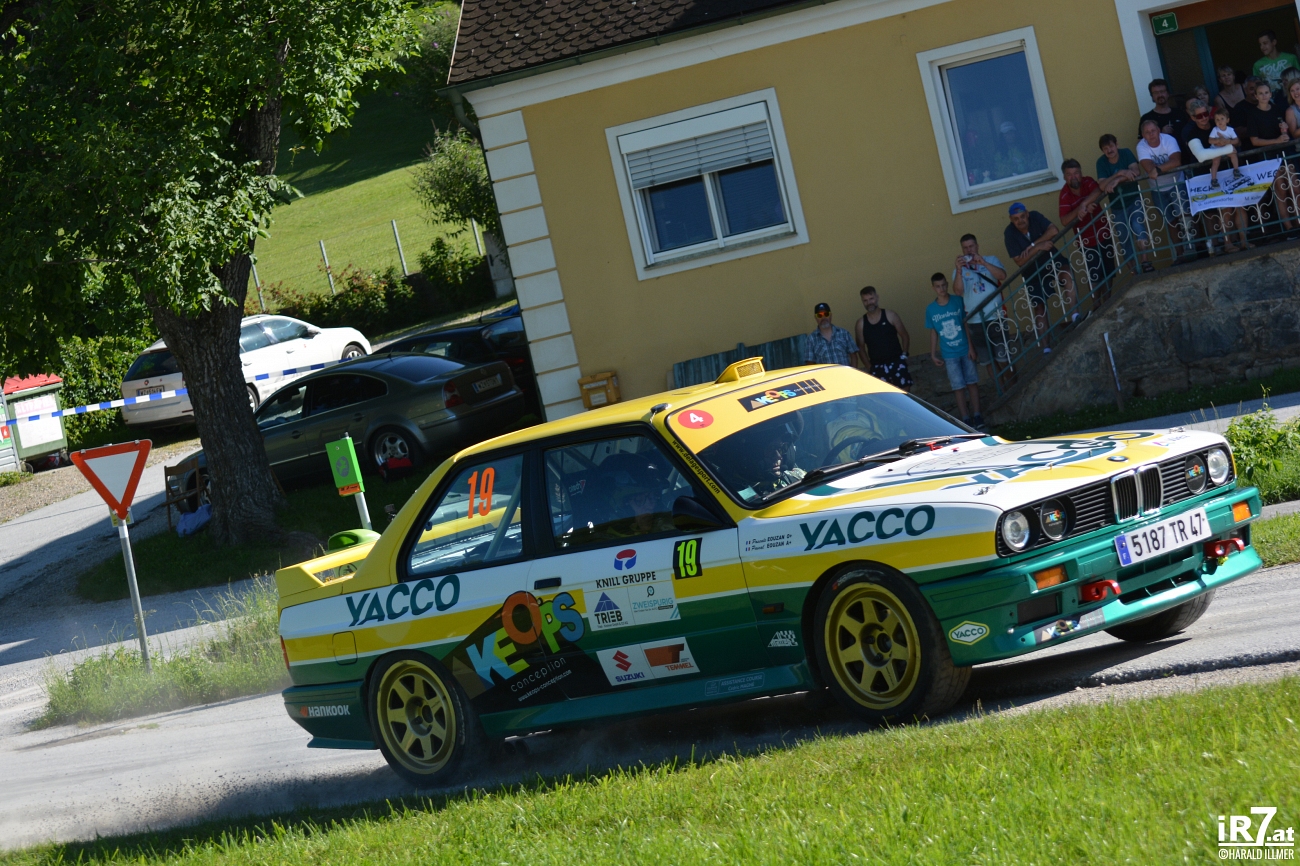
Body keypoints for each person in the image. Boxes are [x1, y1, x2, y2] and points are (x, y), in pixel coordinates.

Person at [1182, 99, 1249, 253]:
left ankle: (1244, 241)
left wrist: (1229, 141)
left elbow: (1237, 141)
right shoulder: (1191, 133)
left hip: (1229, 171)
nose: (1204, 118)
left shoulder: (1217, 123)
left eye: (1206, 114)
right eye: (1199, 116)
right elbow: (1201, 155)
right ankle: (1227, 244)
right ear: (1192, 117)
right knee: (1223, 210)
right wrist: (1227, 149)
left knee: (1239, 205)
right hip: (1207, 177)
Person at [1003, 202, 1077, 338]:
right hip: (1032, 272)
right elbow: (1019, 261)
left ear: (1027, 214)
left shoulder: (1035, 216)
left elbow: (1054, 230)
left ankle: (1075, 316)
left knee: (1066, 274)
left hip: (1051, 259)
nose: (1020, 220)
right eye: (1016, 218)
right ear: (1011, 219)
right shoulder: (1009, 233)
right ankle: (1046, 347)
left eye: (1022, 216)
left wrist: (1033, 245)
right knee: (1039, 308)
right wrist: (1038, 248)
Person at [926, 273, 982, 428]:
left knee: (972, 382)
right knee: (958, 386)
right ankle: (965, 418)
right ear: (933, 288)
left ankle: (978, 415)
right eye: (938, 286)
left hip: (964, 349)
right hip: (949, 354)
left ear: (947, 284)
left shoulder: (958, 301)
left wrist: (971, 346)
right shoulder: (931, 309)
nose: (942, 289)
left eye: (944, 285)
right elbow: (933, 331)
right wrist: (933, 353)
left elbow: (965, 324)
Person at [1246, 78, 1299, 235]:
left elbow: (1285, 131)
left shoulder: (1277, 109)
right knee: (1280, 191)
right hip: (1268, 158)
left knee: (1295, 188)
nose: (1264, 96)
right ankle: (1289, 228)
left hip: (1285, 154)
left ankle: (1298, 221)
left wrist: (1284, 130)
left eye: (1266, 93)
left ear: (1270, 94)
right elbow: (1254, 140)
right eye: (1260, 93)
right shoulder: (1252, 114)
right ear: (1256, 96)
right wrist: (1276, 141)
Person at [1136, 118, 1194, 258]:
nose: (1151, 134)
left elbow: (1176, 161)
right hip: (1157, 189)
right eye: (1147, 132)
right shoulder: (1141, 146)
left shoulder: (1169, 140)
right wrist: (1160, 168)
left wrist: (1157, 169)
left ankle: (1193, 248)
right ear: (1143, 135)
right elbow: (1148, 167)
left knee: (1185, 216)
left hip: (1177, 182)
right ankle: (1180, 254)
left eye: (1153, 130)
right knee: (1170, 221)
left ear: (1159, 131)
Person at [951, 233, 1009, 367]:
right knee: (987, 361)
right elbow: (958, 292)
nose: (969, 250)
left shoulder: (991, 259)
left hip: (996, 317)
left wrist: (984, 263)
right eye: (965, 248)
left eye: (971, 246)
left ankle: (1012, 380)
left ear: (977, 246)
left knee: (1004, 359)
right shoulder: (958, 270)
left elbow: (1002, 276)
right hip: (975, 321)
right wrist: (959, 270)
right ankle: (999, 382)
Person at [1096, 133, 1152, 273]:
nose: (1109, 150)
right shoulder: (1101, 162)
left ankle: (1145, 261)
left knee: (1138, 226)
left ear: (1117, 145)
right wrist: (1120, 173)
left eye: (1111, 146)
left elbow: (1135, 171)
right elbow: (1102, 185)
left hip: (1133, 199)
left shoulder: (1126, 153)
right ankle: (1134, 271)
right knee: (1124, 238)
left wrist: (1116, 181)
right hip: (1117, 206)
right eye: (1105, 148)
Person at [1058, 158, 1113, 291]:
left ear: (1081, 173)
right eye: (1069, 174)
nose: (1073, 177)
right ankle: (1096, 303)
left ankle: (1108, 300)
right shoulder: (1064, 194)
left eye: (1076, 173)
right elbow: (1064, 221)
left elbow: (1099, 190)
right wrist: (1080, 210)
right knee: (1094, 276)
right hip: (1086, 241)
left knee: (1108, 272)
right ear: (1064, 177)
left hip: (1103, 233)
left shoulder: (1088, 181)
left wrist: (1084, 204)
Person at [853, 286, 912, 391]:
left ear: (877, 298)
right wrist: (869, 367)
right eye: (865, 300)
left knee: (905, 397)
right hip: (877, 367)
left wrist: (904, 355)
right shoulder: (860, 324)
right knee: (885, 399)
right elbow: (860, 348)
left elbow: (904, 335)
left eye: (871, 299)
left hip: (897, 362)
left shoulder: (890, 315)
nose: (869, 303)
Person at [803, 302, 861, 367]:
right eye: (819, 315)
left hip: (844, 373)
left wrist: (851, 372)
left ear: (830, 315)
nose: (823, 318)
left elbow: (854, 356)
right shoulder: (811, 340)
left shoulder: (844, 333)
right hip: (825, 374)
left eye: (826, 314)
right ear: (815, 318)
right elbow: (810, 364)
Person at [1253, 29, 1300, 95]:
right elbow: (1257, 87)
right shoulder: (1257, 65)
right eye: (1260, 44)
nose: (1262, 47)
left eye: (1265, 43)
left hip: (1292, 96)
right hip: (1271, 99)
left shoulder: (1291, 58)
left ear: (1274, 42)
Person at [1208, 107, 1242, 189]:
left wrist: (1228, 141)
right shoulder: (1215, 129)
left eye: (1222, 119)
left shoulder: (1230, 130)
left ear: (1227, 120)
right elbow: (1210, 140)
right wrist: (1218, 140)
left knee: (1234, 154)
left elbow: (1236, 140)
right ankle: (1213, 179)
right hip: (1216, 148)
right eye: (1217, 119)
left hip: (1226, 147)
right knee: (1216, 161)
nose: (1220, 121)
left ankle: (1236, 170)